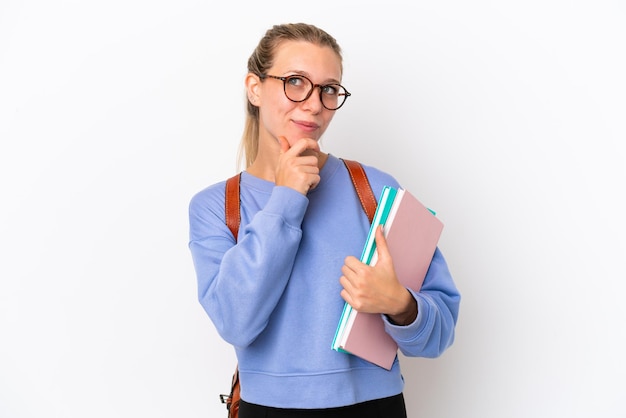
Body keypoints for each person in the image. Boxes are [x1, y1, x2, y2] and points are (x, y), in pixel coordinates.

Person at [188, 23, 461, 418]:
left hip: (375, 407)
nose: (314, 104)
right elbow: (235, 323)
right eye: (295, 82)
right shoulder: (216, 206)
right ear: (254, 88)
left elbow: (441, 331)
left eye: (328, 89)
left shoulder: (375, 189)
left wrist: (400, 305)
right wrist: (287, 197)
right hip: (266, 409)